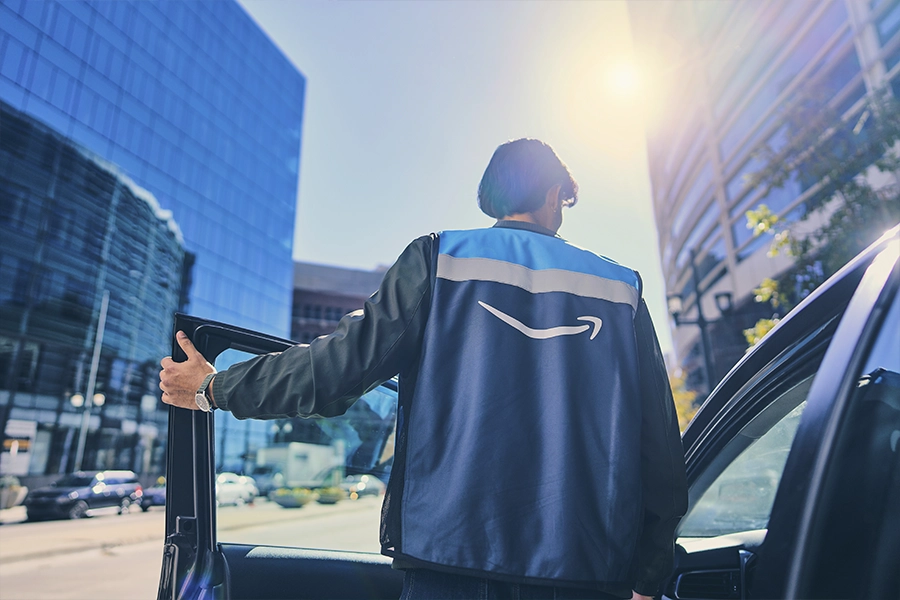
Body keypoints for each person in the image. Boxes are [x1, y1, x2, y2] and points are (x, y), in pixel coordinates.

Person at [160, 138, 688, 600]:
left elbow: (335, 370)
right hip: (586, 566)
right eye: (563, 201)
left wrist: (214, 385)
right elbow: (659, 447)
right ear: (553, 195)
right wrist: (649, 573)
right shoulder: (621, 288)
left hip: (448, 558)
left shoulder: (439, 258)